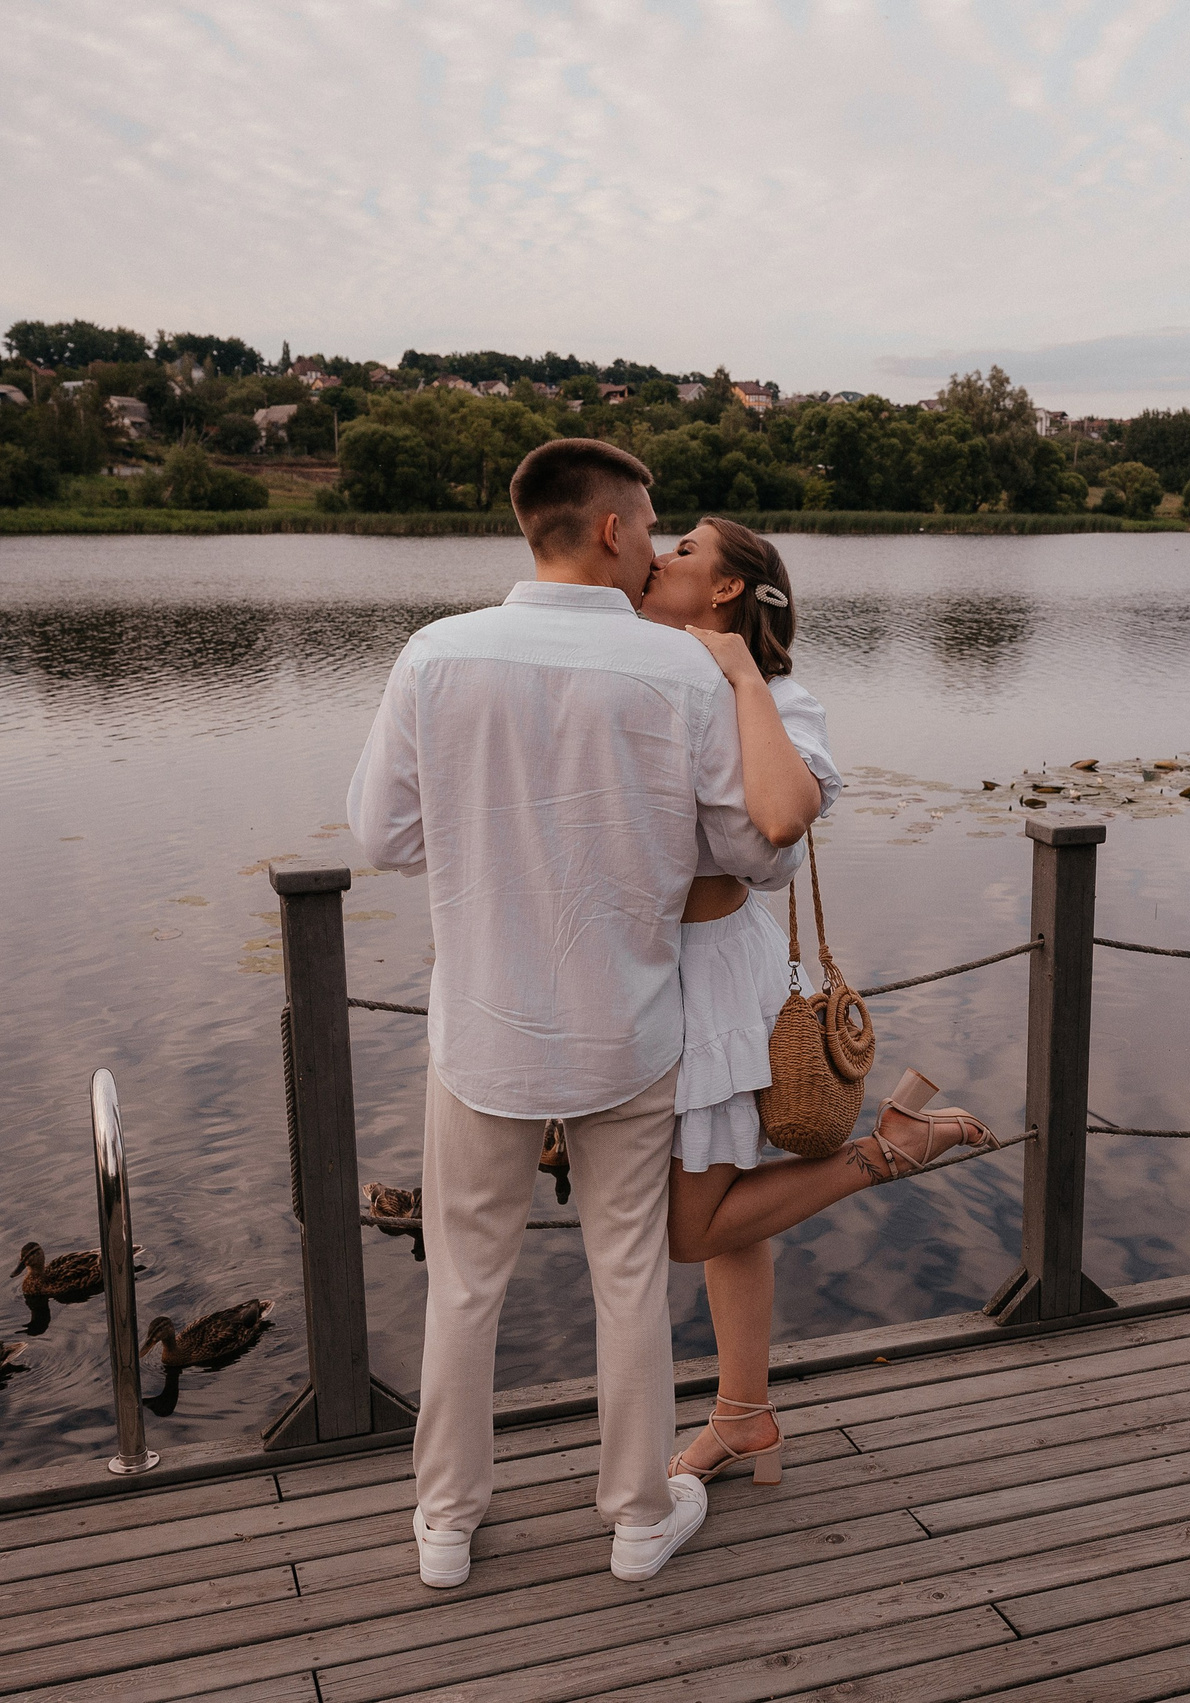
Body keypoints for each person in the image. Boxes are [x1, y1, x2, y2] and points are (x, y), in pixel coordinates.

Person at [344, 441, 803, 1591]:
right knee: (629, 1278)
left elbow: (383, 837)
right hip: (627, 1029)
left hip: (485, 1028)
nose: (654, 549)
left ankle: (444, 1524)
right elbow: (752, 850)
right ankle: (638, 1519)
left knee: (463, 1282)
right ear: (608, 530)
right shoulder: (680, 673)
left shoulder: (434, 655)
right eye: (649, 528)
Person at [635, 517, 1000, 1488]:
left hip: (715, 980)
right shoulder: (638, 666)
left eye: (681, 551)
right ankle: (744, 1416)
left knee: (689, 1224)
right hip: (653, 973)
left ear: (725, 592)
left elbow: (783, 814)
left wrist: (742, 676)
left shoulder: (782, 698)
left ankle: (884, 1150)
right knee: (731, 1211)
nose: (658, 555)